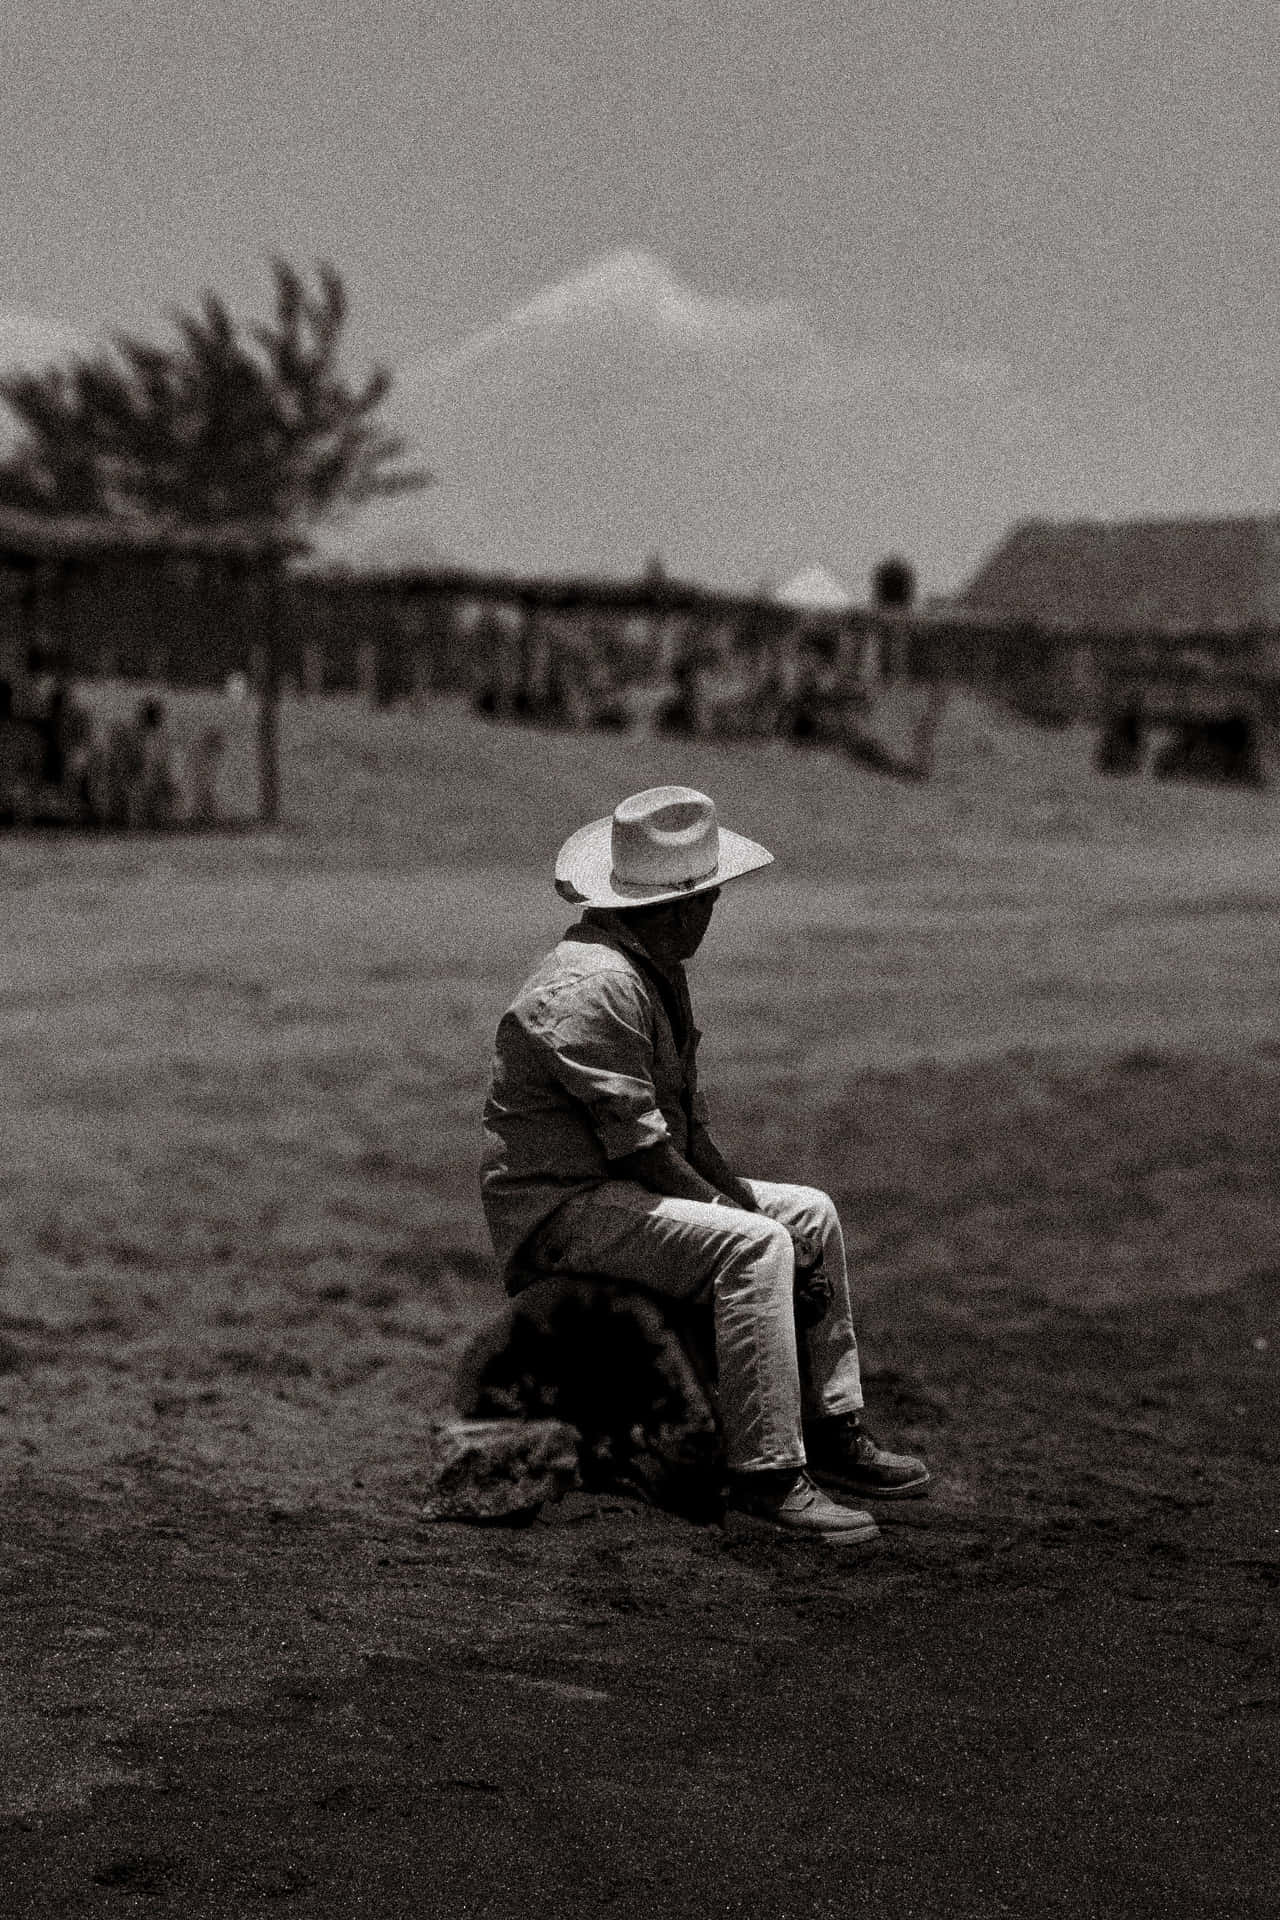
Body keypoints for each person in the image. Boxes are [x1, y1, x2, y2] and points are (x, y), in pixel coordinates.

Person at [481, 785, 931, 1547]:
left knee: (808, 1215)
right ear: (678, 906)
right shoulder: (595, 985)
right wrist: (742, 1222)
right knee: (758, 1246)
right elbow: (649, 1154)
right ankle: (768, 1475)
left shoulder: (649, 967)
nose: (713, 913)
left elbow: (689, 1137)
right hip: (560, 1210)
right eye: (708, 899)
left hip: (618, 1189)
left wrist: (748, 1208)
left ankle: (832, 1430)